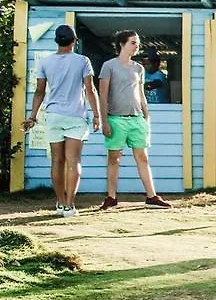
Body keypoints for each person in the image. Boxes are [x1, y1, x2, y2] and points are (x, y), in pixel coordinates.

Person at [23, 24, 101, 217]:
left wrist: (32, 117)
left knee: (57, 161)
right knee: (73, 162)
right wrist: (97, 115)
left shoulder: (45, 62)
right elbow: (90, 89)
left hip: (54, 116)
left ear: (57, 41)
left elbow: (40, 92)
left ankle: (59, 203)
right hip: (76, 116)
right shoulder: (83, 60)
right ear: (75, 41)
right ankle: (69, 205)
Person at [97, 30, 171, 211]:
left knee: (142, 157)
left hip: (136, 118)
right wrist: (104, 121)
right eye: (133, 42)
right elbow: (103, 95)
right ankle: (111, 198)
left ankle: (152, 196)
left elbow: (141, 95)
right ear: (122, 44)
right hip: (116, 119)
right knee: (114, 158)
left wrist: (146, 116)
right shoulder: (109, 66)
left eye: (137, 42)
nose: (136, 46)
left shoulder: (138, 68)